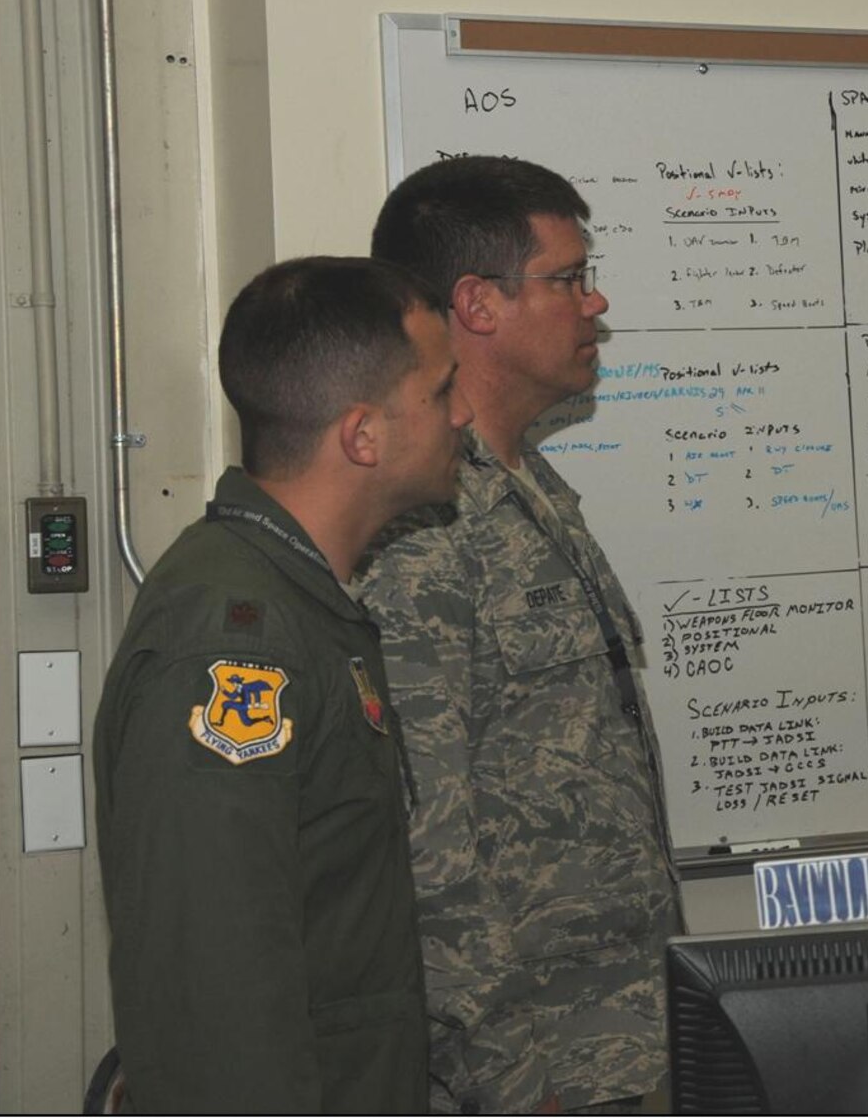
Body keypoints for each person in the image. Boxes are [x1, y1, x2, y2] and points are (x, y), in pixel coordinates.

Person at [93, 256, 472, 1111]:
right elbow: (212, 990)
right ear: (362, 436)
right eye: (443, 391)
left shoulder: (298, 602)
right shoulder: (235, 642)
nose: (466, 413)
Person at [357, 156, 683, 1113]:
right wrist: (508, 1083)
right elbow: (423, 845)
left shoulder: (529, 486)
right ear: (479, 304)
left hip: (620, 1042)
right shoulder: (420, 529)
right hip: (531, 1068)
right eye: (569, 278)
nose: (595, 302)